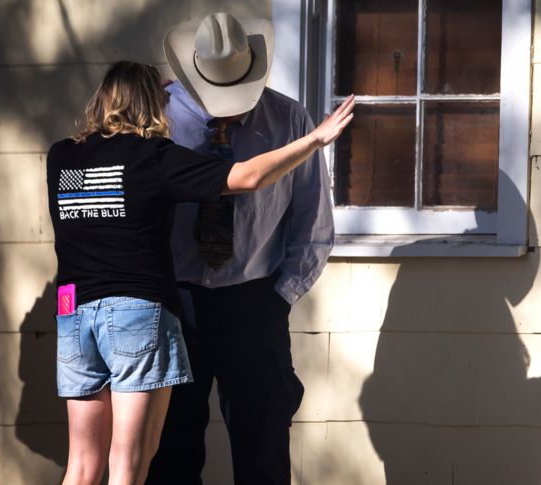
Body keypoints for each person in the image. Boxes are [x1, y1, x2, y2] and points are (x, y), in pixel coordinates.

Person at [47, 60, 354, 485]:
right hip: (145, 311)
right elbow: (246, 177)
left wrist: (277, 298)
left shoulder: (60, 157)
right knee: (133, 463)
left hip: (75, 313)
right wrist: (317, 139)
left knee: (82, 464)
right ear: (157, 103)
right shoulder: (153, 157)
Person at [147, 12, 336, 485]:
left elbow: (312, 220)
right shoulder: (156, 118)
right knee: (170, 447)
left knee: (263, 446)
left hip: (254, 300)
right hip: (173, 302)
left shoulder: (289, 119)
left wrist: (279, 298)